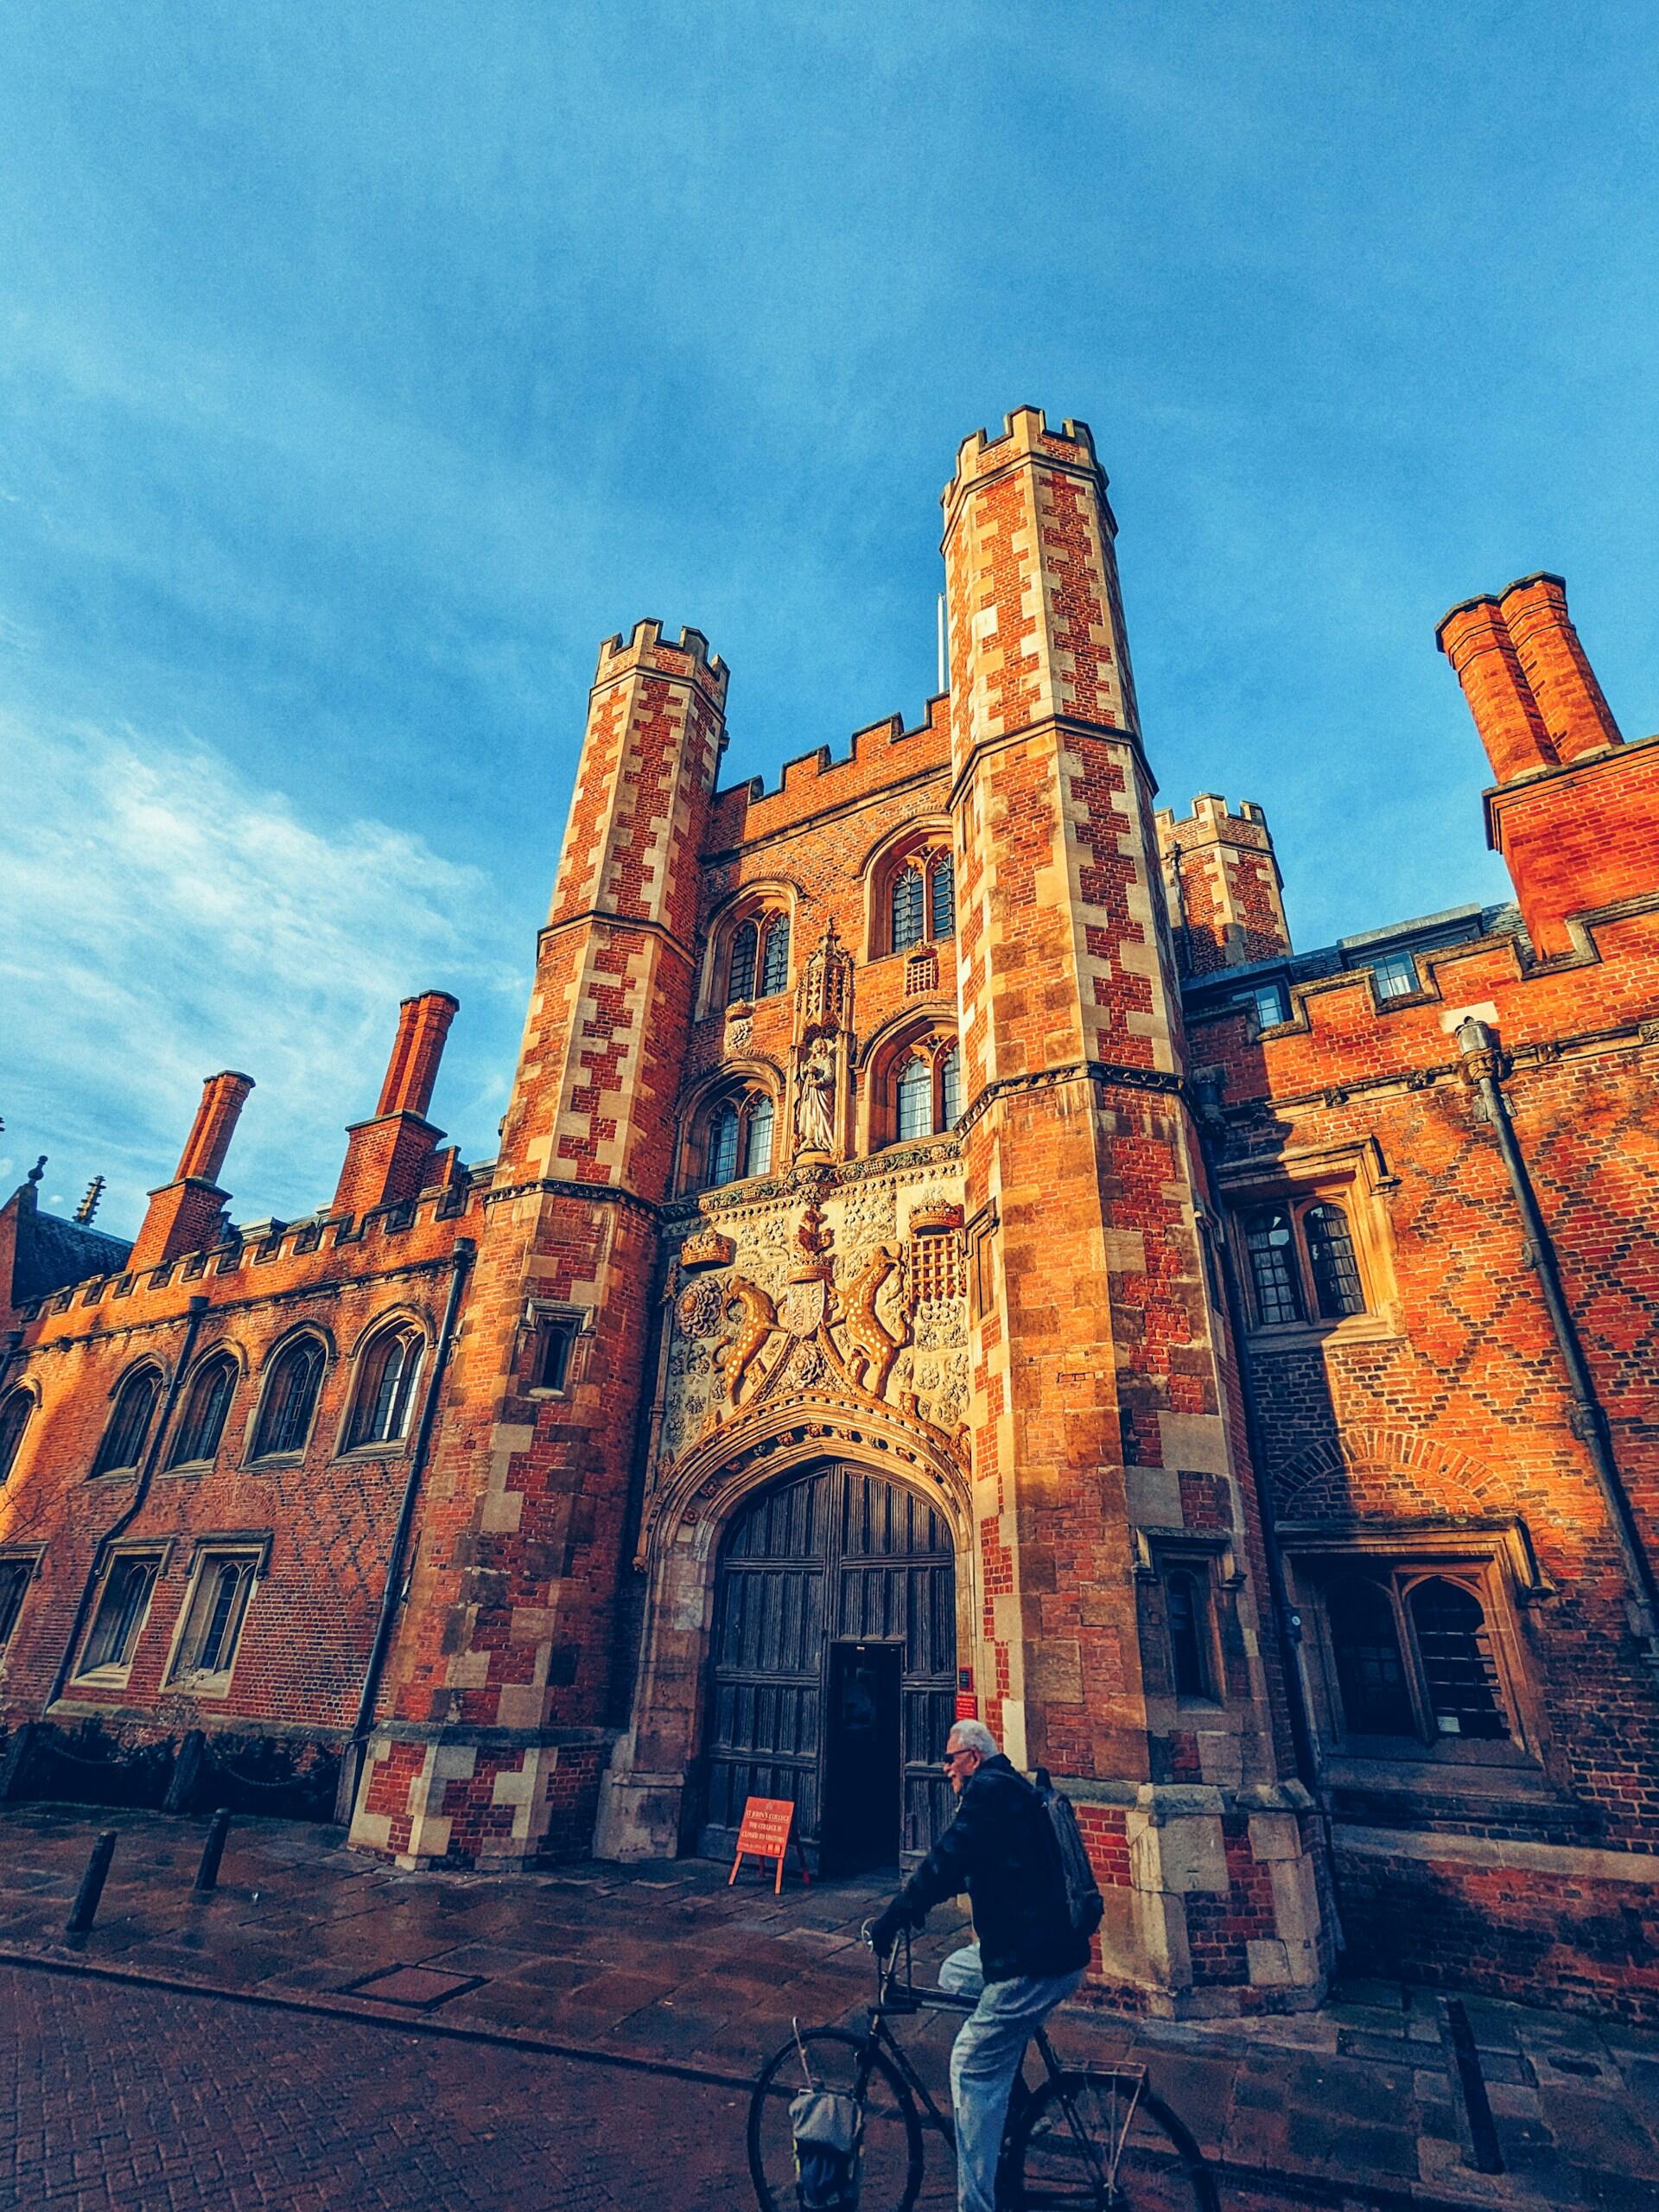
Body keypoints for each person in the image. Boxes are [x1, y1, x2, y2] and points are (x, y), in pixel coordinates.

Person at [867, 1719, 1088, 2212]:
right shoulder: (1008, 1788)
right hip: (1036, 1942)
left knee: (969, 2064)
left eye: (949, 1759)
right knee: (955, 1975)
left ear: (973, 1757)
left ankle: (978, 2205)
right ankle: (1018, 2098)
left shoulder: (988, 1792)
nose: (944, 1769)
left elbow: (946, 1856)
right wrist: (921, 1903)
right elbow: (969, 1865)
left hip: (1034, 1955)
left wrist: (896, 1913)